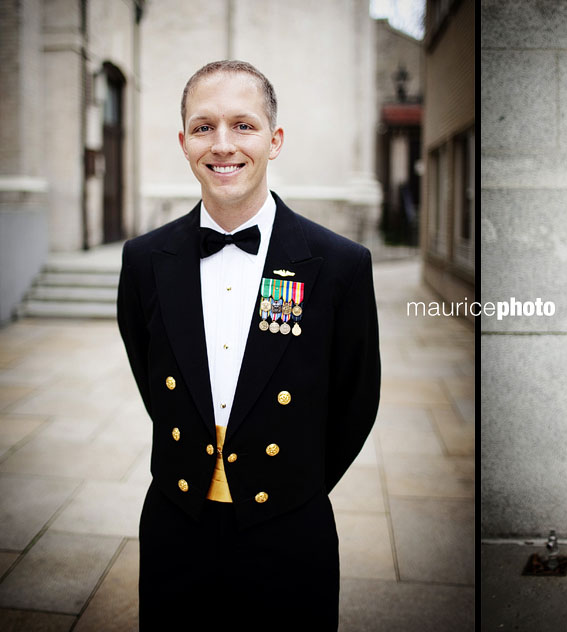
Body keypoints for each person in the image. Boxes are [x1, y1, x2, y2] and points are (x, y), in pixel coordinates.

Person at [116, 60, 380, 629]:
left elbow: (356, 399)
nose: (223, 144)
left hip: (288, 529)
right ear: (184, 142)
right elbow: (150, 376)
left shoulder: (339, 265)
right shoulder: (143, 261)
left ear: (274, 139)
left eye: (243, 125)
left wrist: (291, 485)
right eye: (204, 126)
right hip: (175, 522)